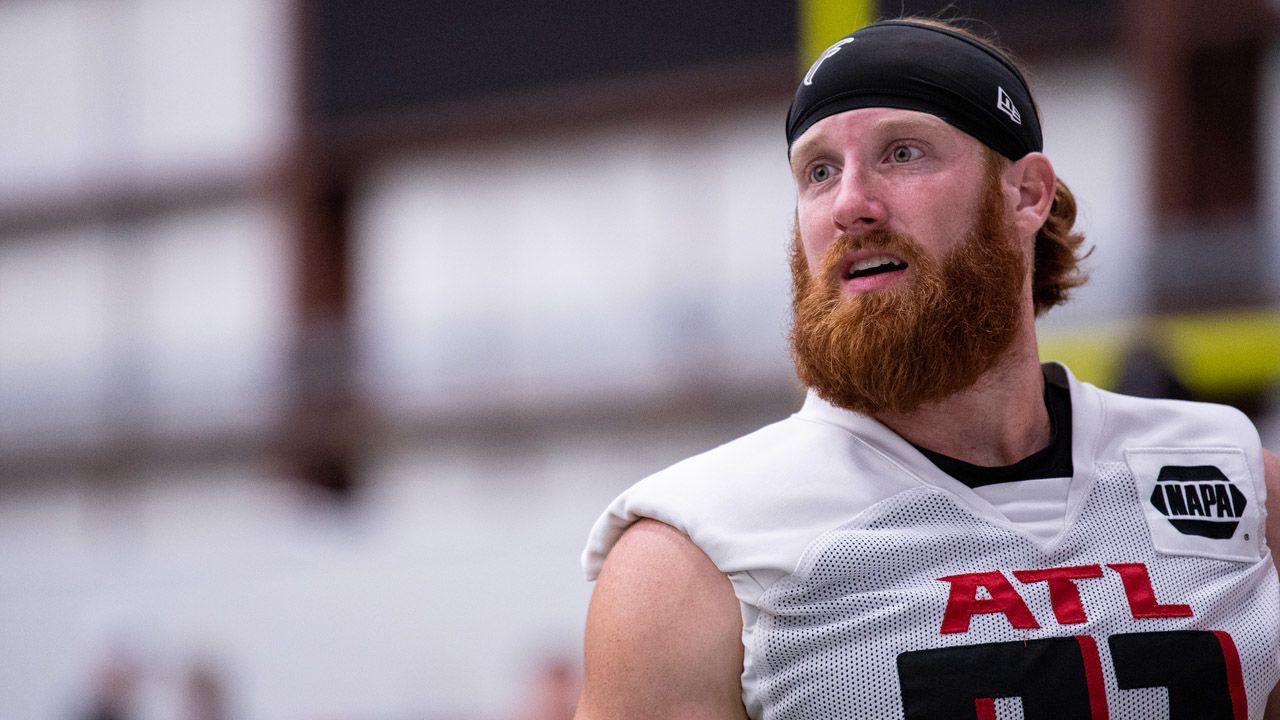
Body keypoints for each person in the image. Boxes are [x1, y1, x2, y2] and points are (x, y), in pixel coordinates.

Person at [574, 17, 1280, 720]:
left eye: (903, 153)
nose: (851, 202)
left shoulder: (1241, 481)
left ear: (1027, 194)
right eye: (819, 171)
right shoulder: (691, 559)